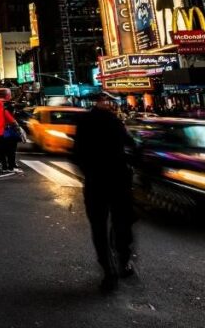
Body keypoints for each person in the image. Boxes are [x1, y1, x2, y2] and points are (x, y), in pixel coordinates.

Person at [73, 92, 136, 292]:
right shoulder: (114, 121)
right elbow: (131, 145)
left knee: (99, 228)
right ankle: (123, 262)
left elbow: (77, 153)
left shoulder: (84, 122)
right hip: (118, 179)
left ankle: (109, 272)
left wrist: (88, 172)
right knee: (121, 224)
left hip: (95, 182)